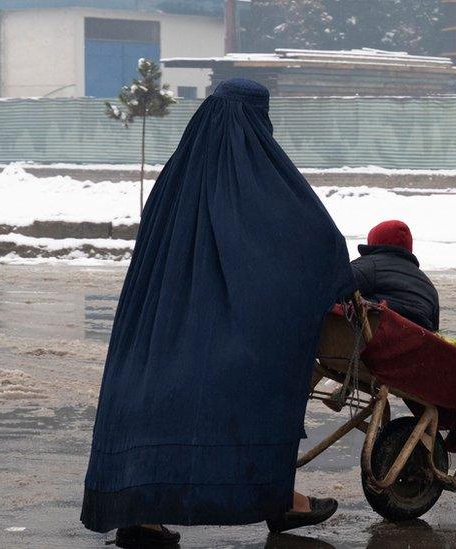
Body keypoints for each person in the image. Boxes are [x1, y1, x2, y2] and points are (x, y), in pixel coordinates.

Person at [81, 78, 355, 547]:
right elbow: (315, 240)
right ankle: (277, 499)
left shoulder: (175, 176)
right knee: (252, 391)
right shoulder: (262, 178)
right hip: (222, 333)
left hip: (157, 330)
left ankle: (140, 517)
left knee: (154, 398)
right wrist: (335, 282)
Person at [351, 220, 439, 332]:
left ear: (373, 242)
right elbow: (435, 332)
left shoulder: (369, 265)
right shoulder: (429, 286)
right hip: (416, 343)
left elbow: (333, 286)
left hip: (377, 339)